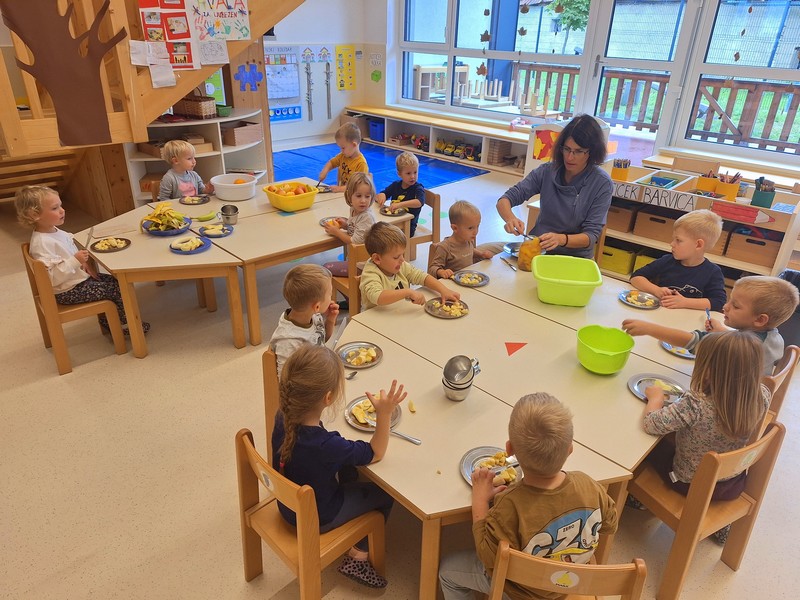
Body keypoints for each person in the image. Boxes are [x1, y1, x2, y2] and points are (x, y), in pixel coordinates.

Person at [438, 393, 618, 600]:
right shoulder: (589, 486)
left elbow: (488, 556)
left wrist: (479, 501)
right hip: (570, 582)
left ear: (509, 450)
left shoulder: (509, 505)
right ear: (570, 450)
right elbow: (610, 525)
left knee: (447, 572)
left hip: (519, 591)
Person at [272, 344, 406, 588]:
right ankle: (357, 557)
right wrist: (384, 414)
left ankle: (352, 499)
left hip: (286, 505)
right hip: (318, 516)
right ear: (328, 398)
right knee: (386, 494)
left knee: (348, 469)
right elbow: (376, 452)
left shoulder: (282, 416)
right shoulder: (327, 446)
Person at [638, 331, 770, 544]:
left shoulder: (696, 404)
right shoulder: (762, 395)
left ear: (710, 371)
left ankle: (637, 500)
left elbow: (650, 424)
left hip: (687, 483)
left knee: (652, 449)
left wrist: (656, 398)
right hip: (732, 483)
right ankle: (722, 523)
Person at [14, 185, 149, 335]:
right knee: (116, 289)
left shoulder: (54, 231)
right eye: (54, 208)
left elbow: (67, 251)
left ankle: (111, 322)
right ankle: (126, 326)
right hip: (67, 291)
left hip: (76, 281)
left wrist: (82, 262)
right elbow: (51, 278)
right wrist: (75, 261)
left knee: (117, 281)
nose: (62, 210)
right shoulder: (42, 243)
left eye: (61, 205)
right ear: (34, 215)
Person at [622, 275, 799, 375]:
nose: (725, 307)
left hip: (724, 407)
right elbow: (745, 342)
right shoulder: (774, 337)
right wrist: (721, 331)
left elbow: (693, 341)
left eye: (736, 306)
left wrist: (649, 328)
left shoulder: (740, 346)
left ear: (760, 320)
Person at [496, 114, 612, 259]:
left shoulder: (601, 183)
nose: (570, 157)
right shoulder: (547, 171)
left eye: (578, 151)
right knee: (485, 253)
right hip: (538, 250)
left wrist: (561, 239)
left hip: (574, 258)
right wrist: (510, 218)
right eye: (567, 149)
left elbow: (590, 236)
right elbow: (505, 199)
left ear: (592, 152)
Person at [629, 209, 726, 311]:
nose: (672, 244)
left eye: (678, 240)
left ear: (698, 245)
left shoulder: (713, 272)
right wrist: (657, 290)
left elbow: (719, 302)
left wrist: (685, 302)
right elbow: (636, 277)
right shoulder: (667, 261)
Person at [359, 222, 461, 311]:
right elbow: (378, 297)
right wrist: (407, 292)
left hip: (398, 314)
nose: (402, 260)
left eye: (402, 254)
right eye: (396, 257)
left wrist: (443, 290)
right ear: (377, 259)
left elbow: (421, 276)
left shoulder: (400, 265)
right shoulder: (371, 273)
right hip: (374, 320)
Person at [268, 264, 339, 376]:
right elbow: (285, 380)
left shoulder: (313, 315)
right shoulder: (289, 342)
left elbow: (321, 340)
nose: (331, 298)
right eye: (330, 294)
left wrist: (330, 320)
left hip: (320, 367)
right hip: (307, 382)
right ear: (317, 306)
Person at [428, 200, 496, 279]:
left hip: (468, 279)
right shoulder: (444, 247)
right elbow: (432, 268)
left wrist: (481, 254)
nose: (476, 232)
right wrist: (442, 272)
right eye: (470, 228)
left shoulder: (468, 240)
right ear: (455, 228)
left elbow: (469, 251)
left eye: (477, 226)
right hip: (451, 283)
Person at [375, 151, 424, 236]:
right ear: (399, 174)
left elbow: (419, 202)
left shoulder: (418, 188)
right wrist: (382, 196)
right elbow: (384, 193)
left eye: (415, 172)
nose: (412, 176)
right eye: (408, 173)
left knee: (381, 236)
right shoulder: (396, 185)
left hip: (408, 227)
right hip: (394, 223)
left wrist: (399, 205)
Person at [318, 122, 369, 193]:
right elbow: (331, 163)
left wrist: (339, 189)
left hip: (353, 196)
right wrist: (324, 172)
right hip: (342, 194)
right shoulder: (343, 156)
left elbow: (357, 186)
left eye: (343, 148)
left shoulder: (361, 164)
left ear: (354, 145)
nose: (341, 150)